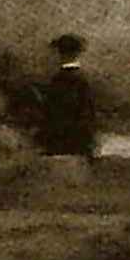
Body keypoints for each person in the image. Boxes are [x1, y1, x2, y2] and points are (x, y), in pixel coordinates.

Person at [32, 34, 101, 168]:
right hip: (78, 143)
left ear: (60, 54)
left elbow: (51, 112)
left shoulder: (59, 80)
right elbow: (88, 113)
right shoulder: (82, 80)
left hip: (59, 142)